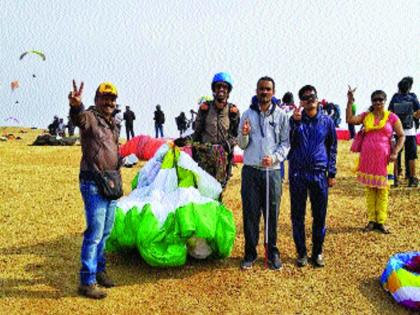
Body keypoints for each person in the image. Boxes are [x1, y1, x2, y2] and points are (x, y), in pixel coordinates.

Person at [69, 80, 121, 299]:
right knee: (94, 233)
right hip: (92, 182)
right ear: (96, 99)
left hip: (111, 183)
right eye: (104, 98)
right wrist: (75, 105)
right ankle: (87, 281)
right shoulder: (89, 117)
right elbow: (77, 119)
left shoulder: (114, 123)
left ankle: (100, 271)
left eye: (112, 99)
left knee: (106, 232)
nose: (108, 102)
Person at [238, 76, 289, 270]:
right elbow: (241, 145)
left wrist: (275, 158)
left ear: (273, 92)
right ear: (256, 91)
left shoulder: (281, 116)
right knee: (250, 213)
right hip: (251, 170)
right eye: (261, 89)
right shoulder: (247, 115)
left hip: (272, 172)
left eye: (268, 89)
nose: (264, 92)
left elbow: (286, 143)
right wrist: (243, 133)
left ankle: (272, 252)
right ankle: (250, 253)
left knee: (271, 213)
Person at [288, 85, 337, 268]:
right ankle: (301, 252)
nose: (310, 99)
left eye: (312, 96)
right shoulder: (295, 121)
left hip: (319, 175)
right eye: (305, 97)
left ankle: (317, 252)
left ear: (317, 98)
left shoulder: (327, 121)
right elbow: (288, 144)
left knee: (320, 215)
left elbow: (332, 148)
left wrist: (331, 172)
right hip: (298, 174)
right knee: (297, 215)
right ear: (301, 102)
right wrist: (294, 123)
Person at [346, 86, 405, 234]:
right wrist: (349, 101)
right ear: (371, 102)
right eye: (375, 100)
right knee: (370, 189)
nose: (378, 102)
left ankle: (382, 221)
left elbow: (402, 135)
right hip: (367, 158)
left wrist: (396, 152)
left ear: (385, 101)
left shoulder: (391, 117)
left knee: (383, 190)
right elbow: (350, 119)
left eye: (381, 100)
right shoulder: (366, 116)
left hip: (385, 158)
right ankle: (372, 220)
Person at [174, 72, 240, 193]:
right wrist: (184, 141)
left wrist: (227, 145)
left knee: (218, 192)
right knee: (203, 192)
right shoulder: (205, 109)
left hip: (223, 161)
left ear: (228, 91)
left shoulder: (233, 111)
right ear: (214, 89)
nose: (221, 89)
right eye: (218, 86)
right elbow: (197, 133)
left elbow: (237, 135)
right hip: (204, 159)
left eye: (224, 87)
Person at [388, 77, 420, 187]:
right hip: (410, 131)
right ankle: (412, 179)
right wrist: (414, 116)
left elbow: (389, 112)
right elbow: (419, 111)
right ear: (409, 88)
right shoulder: (412, 97)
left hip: (396, 131)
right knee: (411, 156)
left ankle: (395, 179)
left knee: (396, 154)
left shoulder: (395, 97)